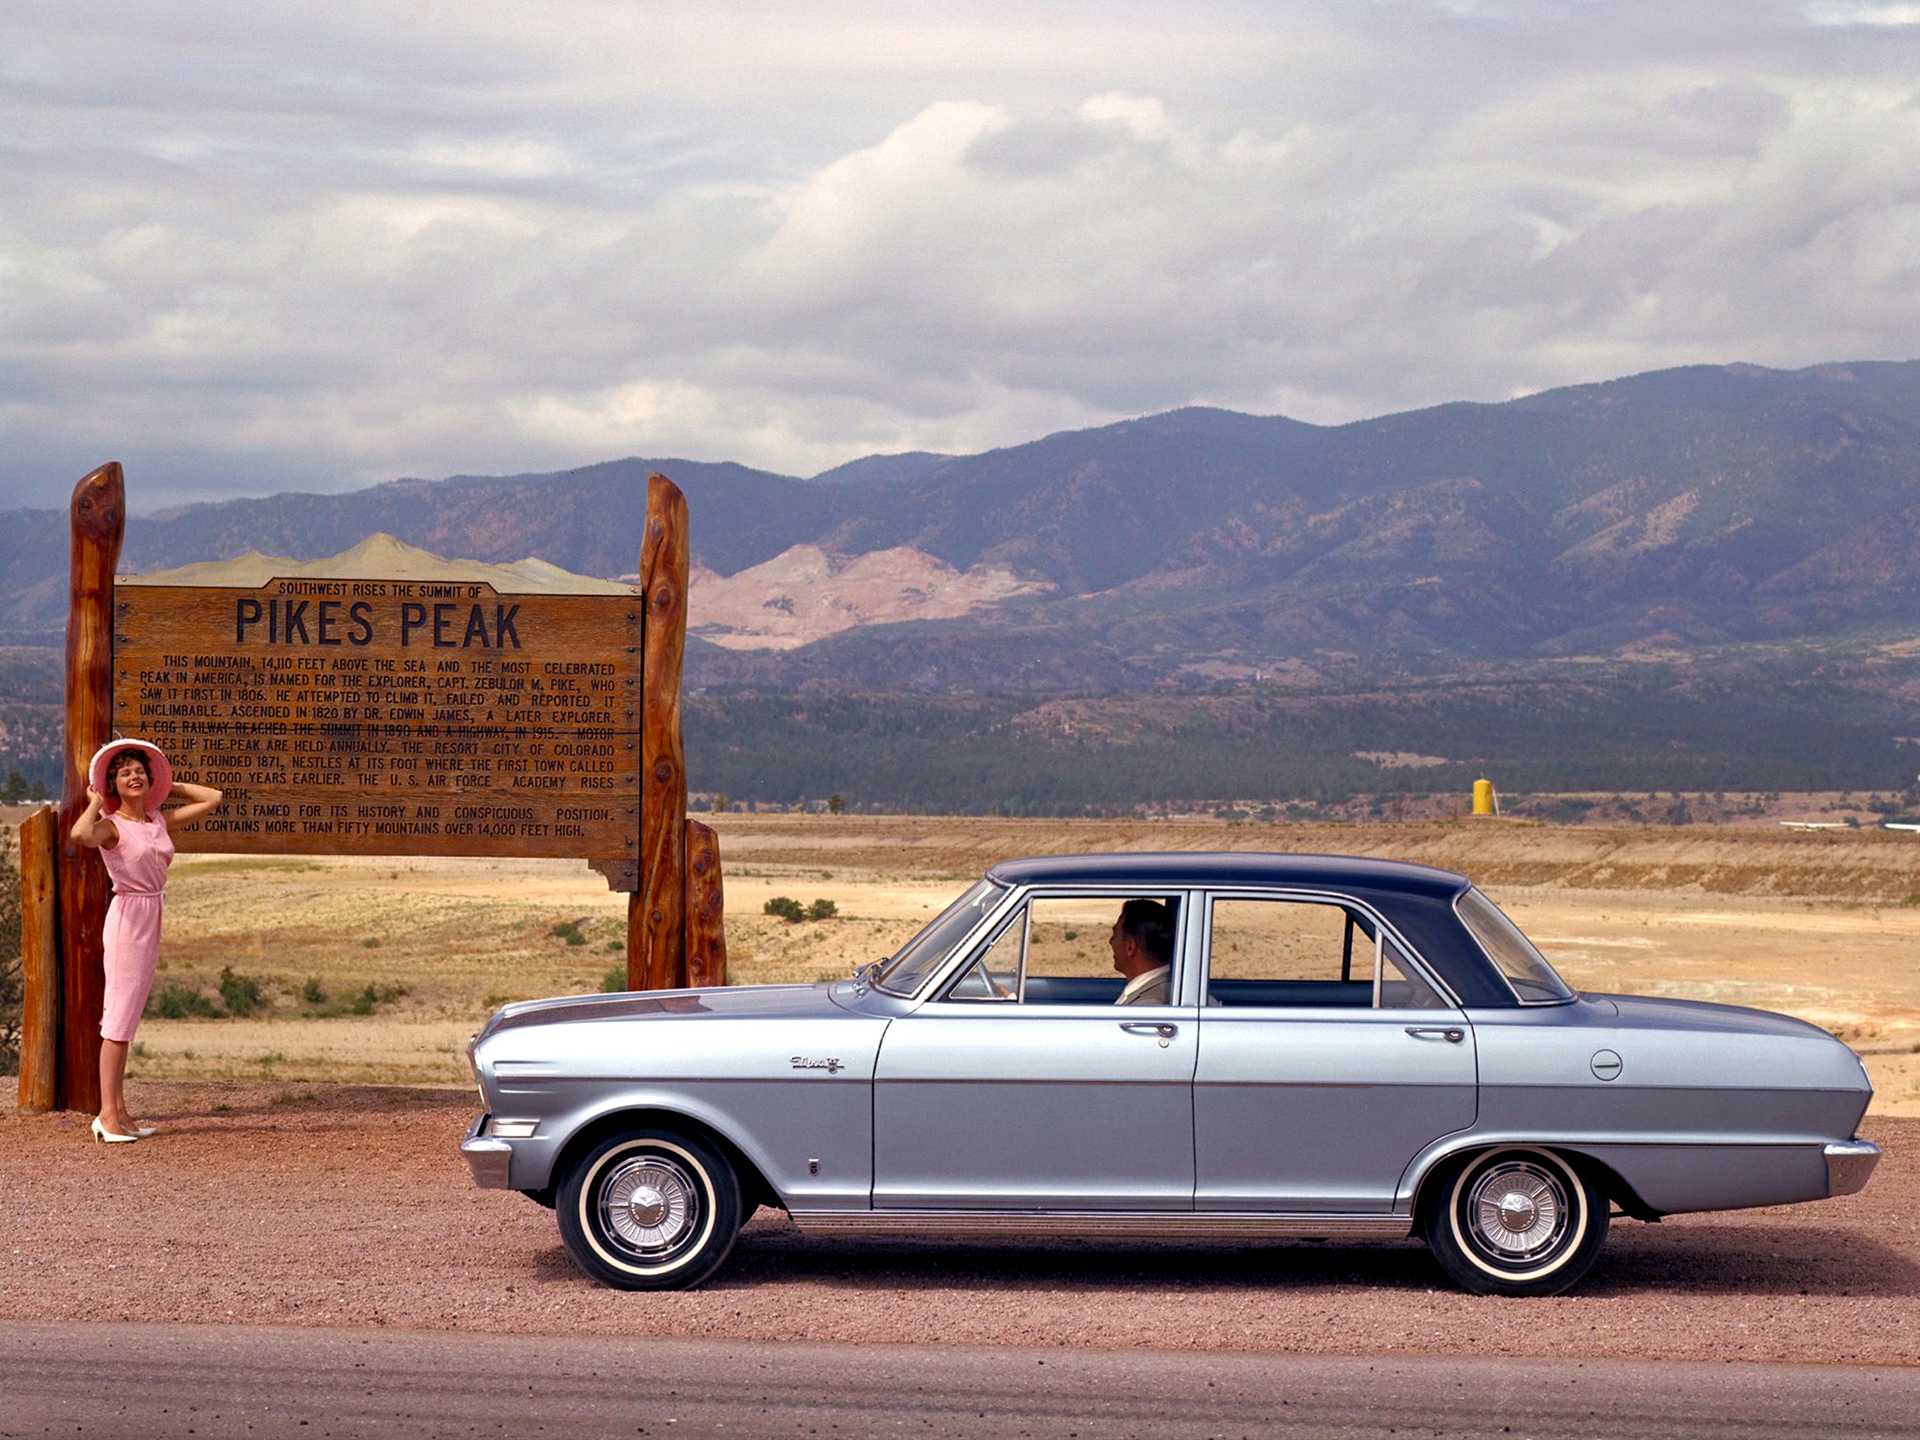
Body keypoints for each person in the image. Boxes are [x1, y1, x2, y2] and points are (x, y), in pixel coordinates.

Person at [70, 740, 223, 1143]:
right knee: (117, 1019)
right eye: (124, 773)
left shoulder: (156, 819)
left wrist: (168, 785)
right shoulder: (112, 825)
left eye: (139, 770)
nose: (134, 776)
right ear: (113, 785)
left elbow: (214, 797)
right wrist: (94, 802)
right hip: (127, 918)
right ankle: (106, 1115)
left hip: (152, 913)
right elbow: (80, 834)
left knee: (129, 1017)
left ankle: (120, 1112)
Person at [1108, 897, 1175, 1005]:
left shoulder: (1148, 1005)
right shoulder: (1165, 989)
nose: (1110, 941)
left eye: (1115, 935)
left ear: (1130, 947)